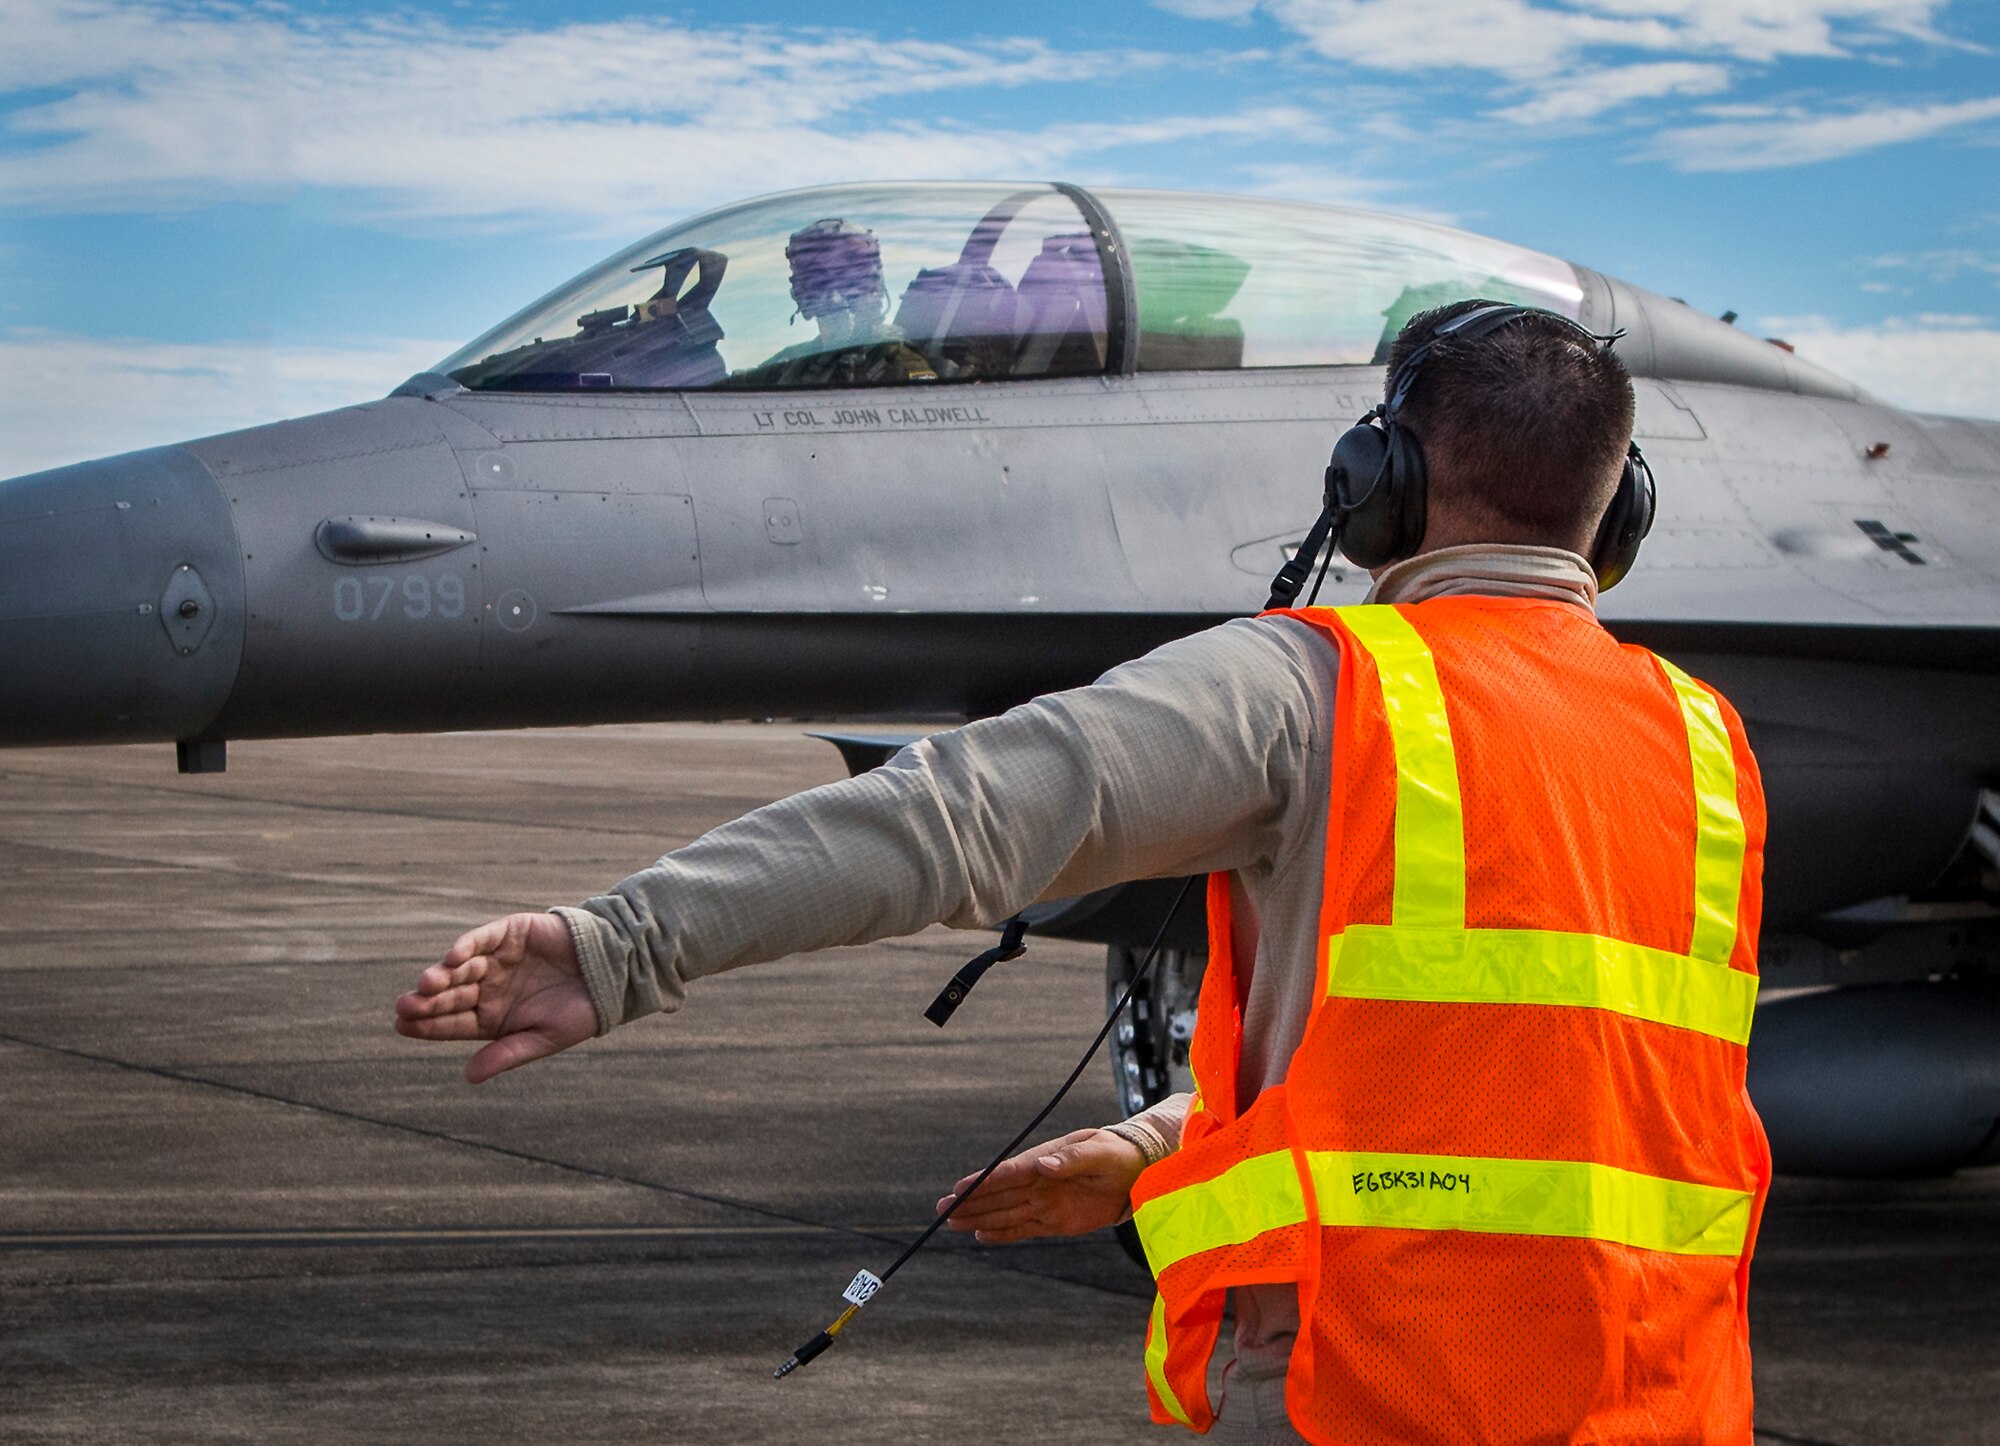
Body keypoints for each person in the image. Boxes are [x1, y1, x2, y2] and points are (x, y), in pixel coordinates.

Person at [394, 301, 1768, 1445]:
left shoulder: (1324, 689)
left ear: (1379, 480)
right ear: (1613, 513)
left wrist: (624, 941)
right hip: (1660, 1402)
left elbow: (957, 818)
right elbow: (1530, 1091)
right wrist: (1152, 1145)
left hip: (1379, 1390)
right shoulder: (1708, 746)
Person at [729, 217, 938, 387]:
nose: (833, 297)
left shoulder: (897, 363)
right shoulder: (795, 361)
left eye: (847, 282)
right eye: (818, 283)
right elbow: (734, 388)